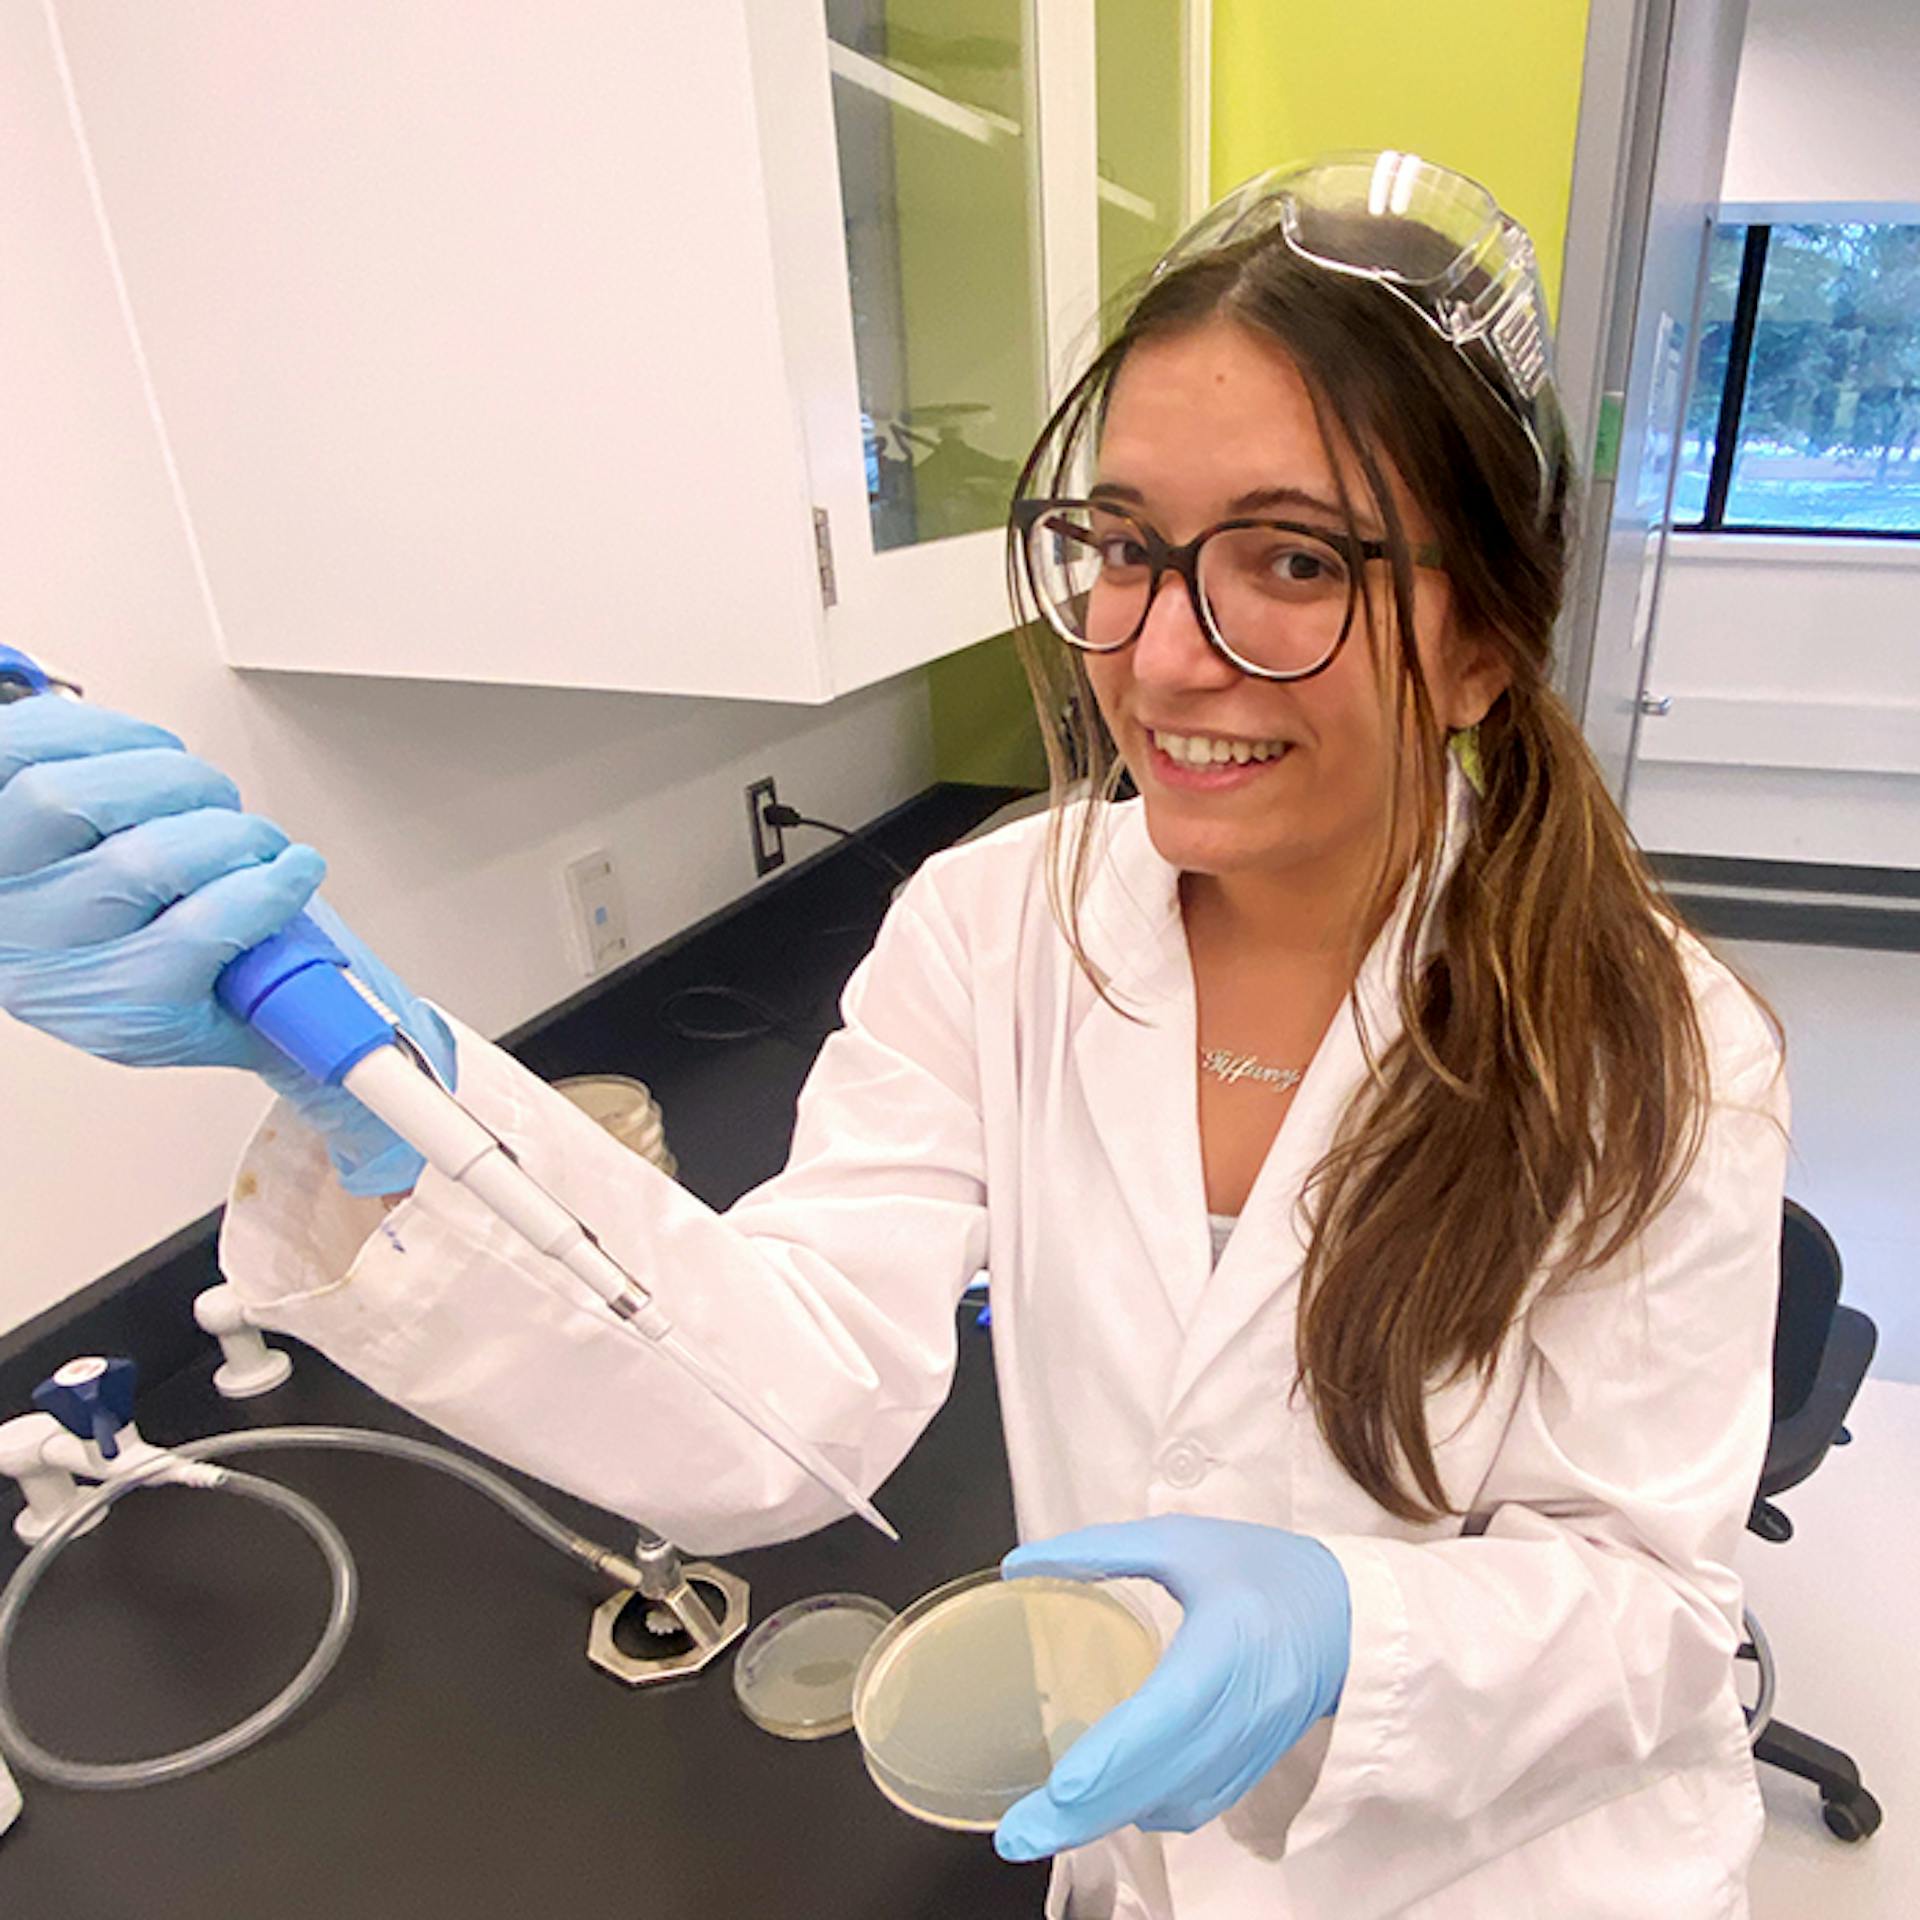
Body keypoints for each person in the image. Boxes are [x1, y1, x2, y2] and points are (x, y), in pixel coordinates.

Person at [0, 154, 1786, 1918]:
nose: (1156, 657)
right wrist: (374, 1083)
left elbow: (1659, 1616)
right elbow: (783, 1409)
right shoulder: (991, 926)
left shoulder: (1659, 1049)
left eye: (1294, 560)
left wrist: (1349, 1638)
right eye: (1118, 549)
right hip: (1130, 1849)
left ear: (1482, 642)